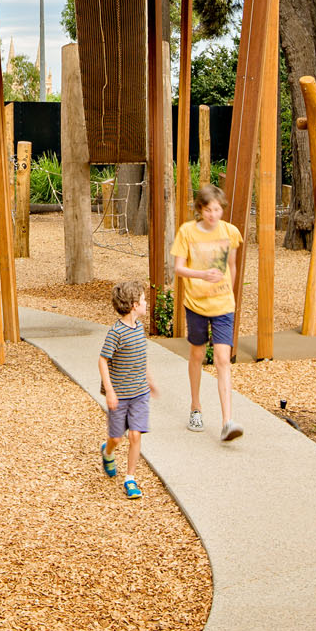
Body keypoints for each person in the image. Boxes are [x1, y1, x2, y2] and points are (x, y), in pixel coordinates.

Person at [172, 184, 244, 442]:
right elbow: (179, 268)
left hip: (224, 305)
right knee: (197, 354)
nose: (213, 214)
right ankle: (195, 407)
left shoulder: (231, 232)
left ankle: (227, 421)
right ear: (200, 210)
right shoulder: (187, 232)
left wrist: (230, 295)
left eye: (217, 209)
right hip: (196, 304)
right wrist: (202, 274)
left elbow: (232, 266)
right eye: (208, 210)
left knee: (223, 359)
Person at [98, 280, 157, 500]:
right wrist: (110, 392)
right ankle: (108, 451)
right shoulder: (116, 332)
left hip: (139, 393)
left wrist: (149, 380)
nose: (145, 304)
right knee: (117, 438)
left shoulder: (139, 328)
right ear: (134, 305)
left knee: (135, 434)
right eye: (143, 300)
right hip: (120, 395)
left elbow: (140, 358)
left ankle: (130, 479)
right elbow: (103, 361)